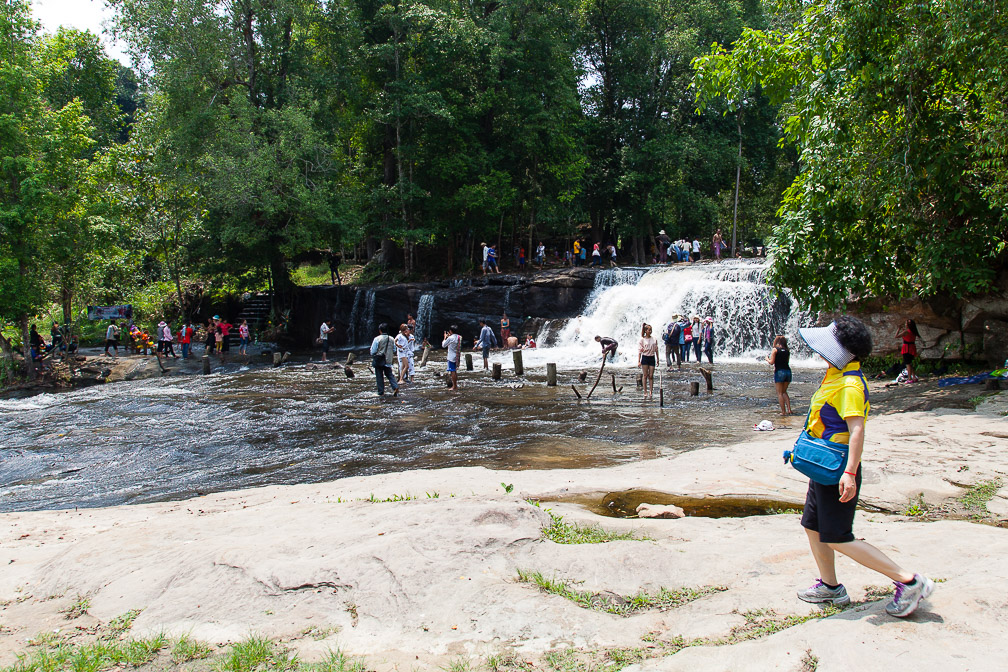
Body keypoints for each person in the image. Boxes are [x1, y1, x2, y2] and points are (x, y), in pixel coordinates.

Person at [795, 317, 934, 617]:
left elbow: (857, 429)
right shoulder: (837, 376)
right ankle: (830, 588)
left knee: (837, 536)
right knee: (812, 526)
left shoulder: (849, 385)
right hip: (824, 465)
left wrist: (849, 473)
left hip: (838, 469)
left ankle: (909, 580)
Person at [370, 323, 399, 397]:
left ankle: (381, 392)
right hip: (388, 360)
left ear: (380, 331)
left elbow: (373, 351)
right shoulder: (392, 338)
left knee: (379, 376)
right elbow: (394, 349)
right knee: (389, 374)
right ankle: (395, 387)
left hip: (379, 360)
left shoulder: (377, 339)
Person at [766, 335, 793, 416]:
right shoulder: (787, 350)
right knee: (784, 391)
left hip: (779, 372)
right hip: (788, 372)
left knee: (780, 393)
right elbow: (787, 361)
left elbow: (771, 362)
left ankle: (783, 412)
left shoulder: (775, 350)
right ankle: (789, 410)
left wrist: (767, 358)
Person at [896, 319, 922, 383]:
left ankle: (909, 378)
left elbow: (896, 336)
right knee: (910, 363)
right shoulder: (913, 331)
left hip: (906, 348)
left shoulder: (906, 331)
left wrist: (898, 329)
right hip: (912, 347)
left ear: (907, 325)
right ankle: (914, 377)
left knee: (907, 364)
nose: (905, 324)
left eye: (906, 324)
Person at [638, 323, 659, 400]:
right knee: (645, 375)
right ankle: (645, 392)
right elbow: (640, 351)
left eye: (651, 330)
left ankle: (651, 391)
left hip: (652, 357)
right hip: (645, 357)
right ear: (645, 331)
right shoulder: (642, 340)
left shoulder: (654, 339)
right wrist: (639, 361)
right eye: (649, 330)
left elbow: (656, 349)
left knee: (651, 375)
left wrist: (658, 359)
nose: (650, 331)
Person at [442, 325, 463, 390]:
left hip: (451, 357)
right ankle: (455, 385)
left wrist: (445, 338)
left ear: (450, 331)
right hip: (457, 356)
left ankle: (454, 386)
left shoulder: (450, 338)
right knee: (454, 371)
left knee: (452, 371)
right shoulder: (459, 337)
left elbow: (443, 345)